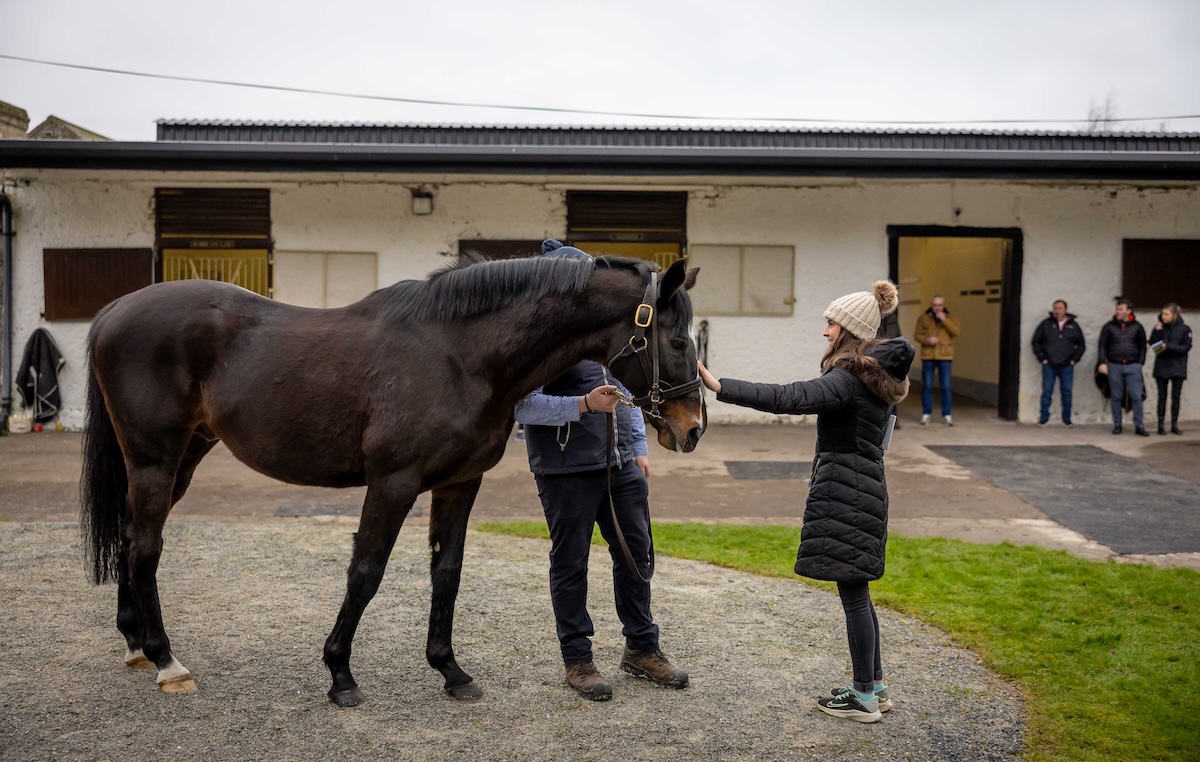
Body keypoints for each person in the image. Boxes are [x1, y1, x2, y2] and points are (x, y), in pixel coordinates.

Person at [699, 281, 914, 724]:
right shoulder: (875, 378)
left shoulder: (847, 378)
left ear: (849, 330)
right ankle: (874, 686)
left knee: (854, 595)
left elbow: (787, 397)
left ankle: (863, 698)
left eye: (831, 324)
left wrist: (719, 385)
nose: (825, 332)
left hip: (847, 490)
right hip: (864, 484)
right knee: (859, 591)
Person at [513, 239, 688, 701]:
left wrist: (635, 448)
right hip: (564, 469)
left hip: (618, 465)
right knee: (571, 565)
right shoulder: (537, 339)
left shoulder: (604, 332)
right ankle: (578, 660)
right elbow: (521, 405)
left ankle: (642, 649)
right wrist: (582, 404)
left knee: (636, 555)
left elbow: (623, 388)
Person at [1031, 299, 1086, 427]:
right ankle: (1043, 418)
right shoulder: (1045, 324)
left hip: (1067, 365)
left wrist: (1074, 359)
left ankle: (1067, 419)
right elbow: (1036, 342)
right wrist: (1042, 358)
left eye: (1059, 308)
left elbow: (1081, 344)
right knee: (1046, 391)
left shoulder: (1073, 326)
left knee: (1066, 391)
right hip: (1049, 364)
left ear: (1065, 310)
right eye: (1055, 308)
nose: (1057, 311)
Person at [1098, 298, 1148, 436]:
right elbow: (1102, 346)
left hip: (1133, 365)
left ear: (1129, 311)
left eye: (1121, 309)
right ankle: (1117, 424)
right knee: (1116, 396)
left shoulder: (1137, 327)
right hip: (1114, 365)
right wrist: (1102, 362)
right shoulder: (1109, 326)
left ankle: (1139, 425)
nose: (1118, 312)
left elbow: (1142, 346)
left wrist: (1140, 363)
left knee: (1136, 396)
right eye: (1117, 309)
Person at [913, 294, 960, 426]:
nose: (937, 308)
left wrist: (944, 320)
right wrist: (927, 340)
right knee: (927, 386)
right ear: (931, 305)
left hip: (945, 356)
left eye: (939, 305)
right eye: (934, 305)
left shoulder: (951, 317)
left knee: (946, 386)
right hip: (928, 355)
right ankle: (926, 414)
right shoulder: (924, 317)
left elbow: (956, 332)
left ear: (943, 305)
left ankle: (947, 415)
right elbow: (917, 334)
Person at [1149, 303, 1192, 435]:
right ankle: (1160, 424)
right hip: (1162, 366)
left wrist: (1168, 346)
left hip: (1177, 366)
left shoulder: (1184, 329)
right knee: (1161, 397)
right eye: (1162, 314)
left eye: (1166, 314)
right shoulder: (1159, 327)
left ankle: (1174, 423)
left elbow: (1185, 347)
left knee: (1176, 397)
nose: (1163, 317)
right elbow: (1152, 345)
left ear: (1174, 315)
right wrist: (1157, 333)